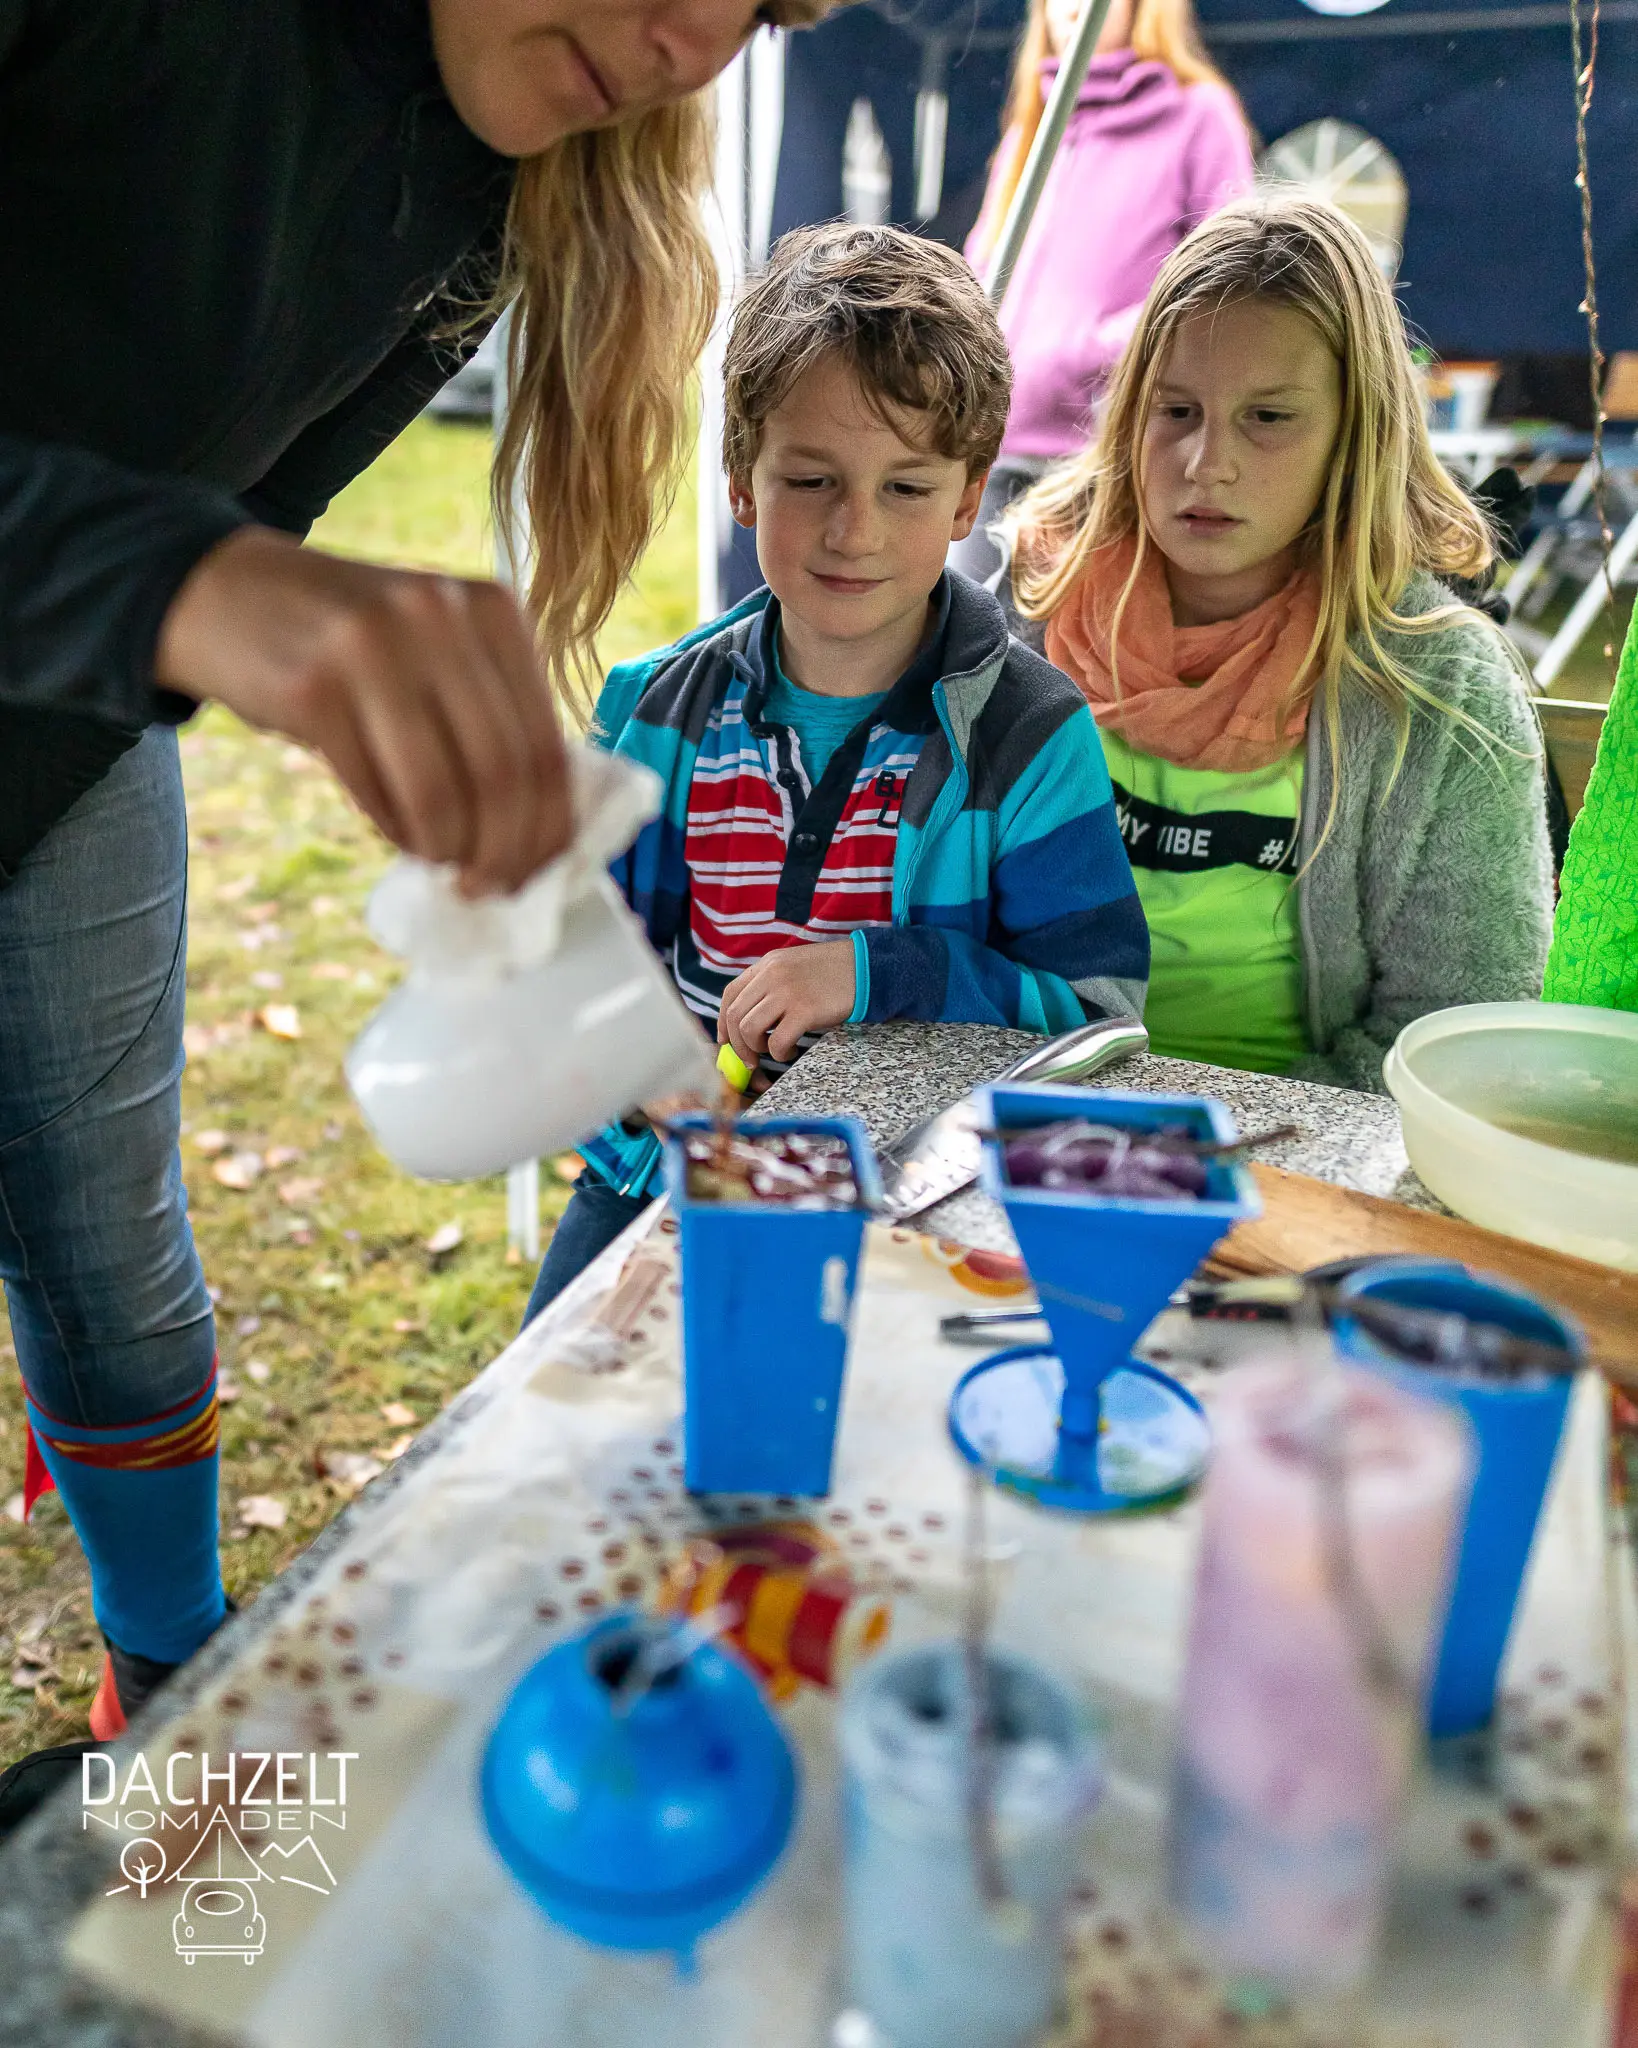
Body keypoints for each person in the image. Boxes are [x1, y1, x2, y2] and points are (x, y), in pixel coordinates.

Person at [0, 0, 836, 1824]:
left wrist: (267, 621)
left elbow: (225, 497)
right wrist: (200, 584)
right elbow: (190, 547)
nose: (698, 37)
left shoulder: (493, 172)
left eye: (775, 6)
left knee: (115, 1275)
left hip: (55, 742)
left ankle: (181, 1690)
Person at [523, 222, 1149, 1315]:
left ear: (968, 500)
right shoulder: (653, 712)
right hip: (659, 1179)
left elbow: (1099, 1021)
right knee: (549, 1431)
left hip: (912, 1197)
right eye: (811, 478)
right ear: (741, 482)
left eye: (908, 489)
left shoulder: (1031, 739)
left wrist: (880, 969)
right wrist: (643, 1072)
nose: (854, 529)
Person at [1000, 194, 1554, 1091]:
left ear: (1355, 434)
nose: (1206, 462)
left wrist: (1206, 1143)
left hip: (1296, 1140)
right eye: (1176, 410)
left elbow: (1453, 1033)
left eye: (1268, 417)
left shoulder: (1442, 687)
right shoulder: (1027, 620)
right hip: (1028, 1109)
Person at [952, 0, 1254, 581]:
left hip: (1102, 456)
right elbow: (980, 268)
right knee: (961, 649)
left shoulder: (1199, 115)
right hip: (993, 441)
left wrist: (1095, 352)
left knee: (1076, 655)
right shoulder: (1033, 127)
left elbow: (1227, 283)